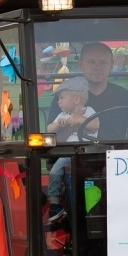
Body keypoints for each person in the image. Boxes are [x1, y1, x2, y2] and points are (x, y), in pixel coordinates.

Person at [46, 42, 128, 141]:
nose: (97, 66)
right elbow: (53, 141)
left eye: (102, 62)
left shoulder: (124, 96)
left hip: (114, 154)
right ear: (81, 64)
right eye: (91, 62)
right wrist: (72, 127)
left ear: (111, 66)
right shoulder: (65, 98)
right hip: (75, 155)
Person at [45, 76, 99, 222]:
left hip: (89, 153)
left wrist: (79, 120)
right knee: (56, 169)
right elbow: (49, 129)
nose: (58, 102)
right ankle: (55, 202)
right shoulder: (62, 115)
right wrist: (58, 125)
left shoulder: (88, 111)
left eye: (61, 98)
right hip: (69, 153)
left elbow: (95, 125)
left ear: (76, 99)